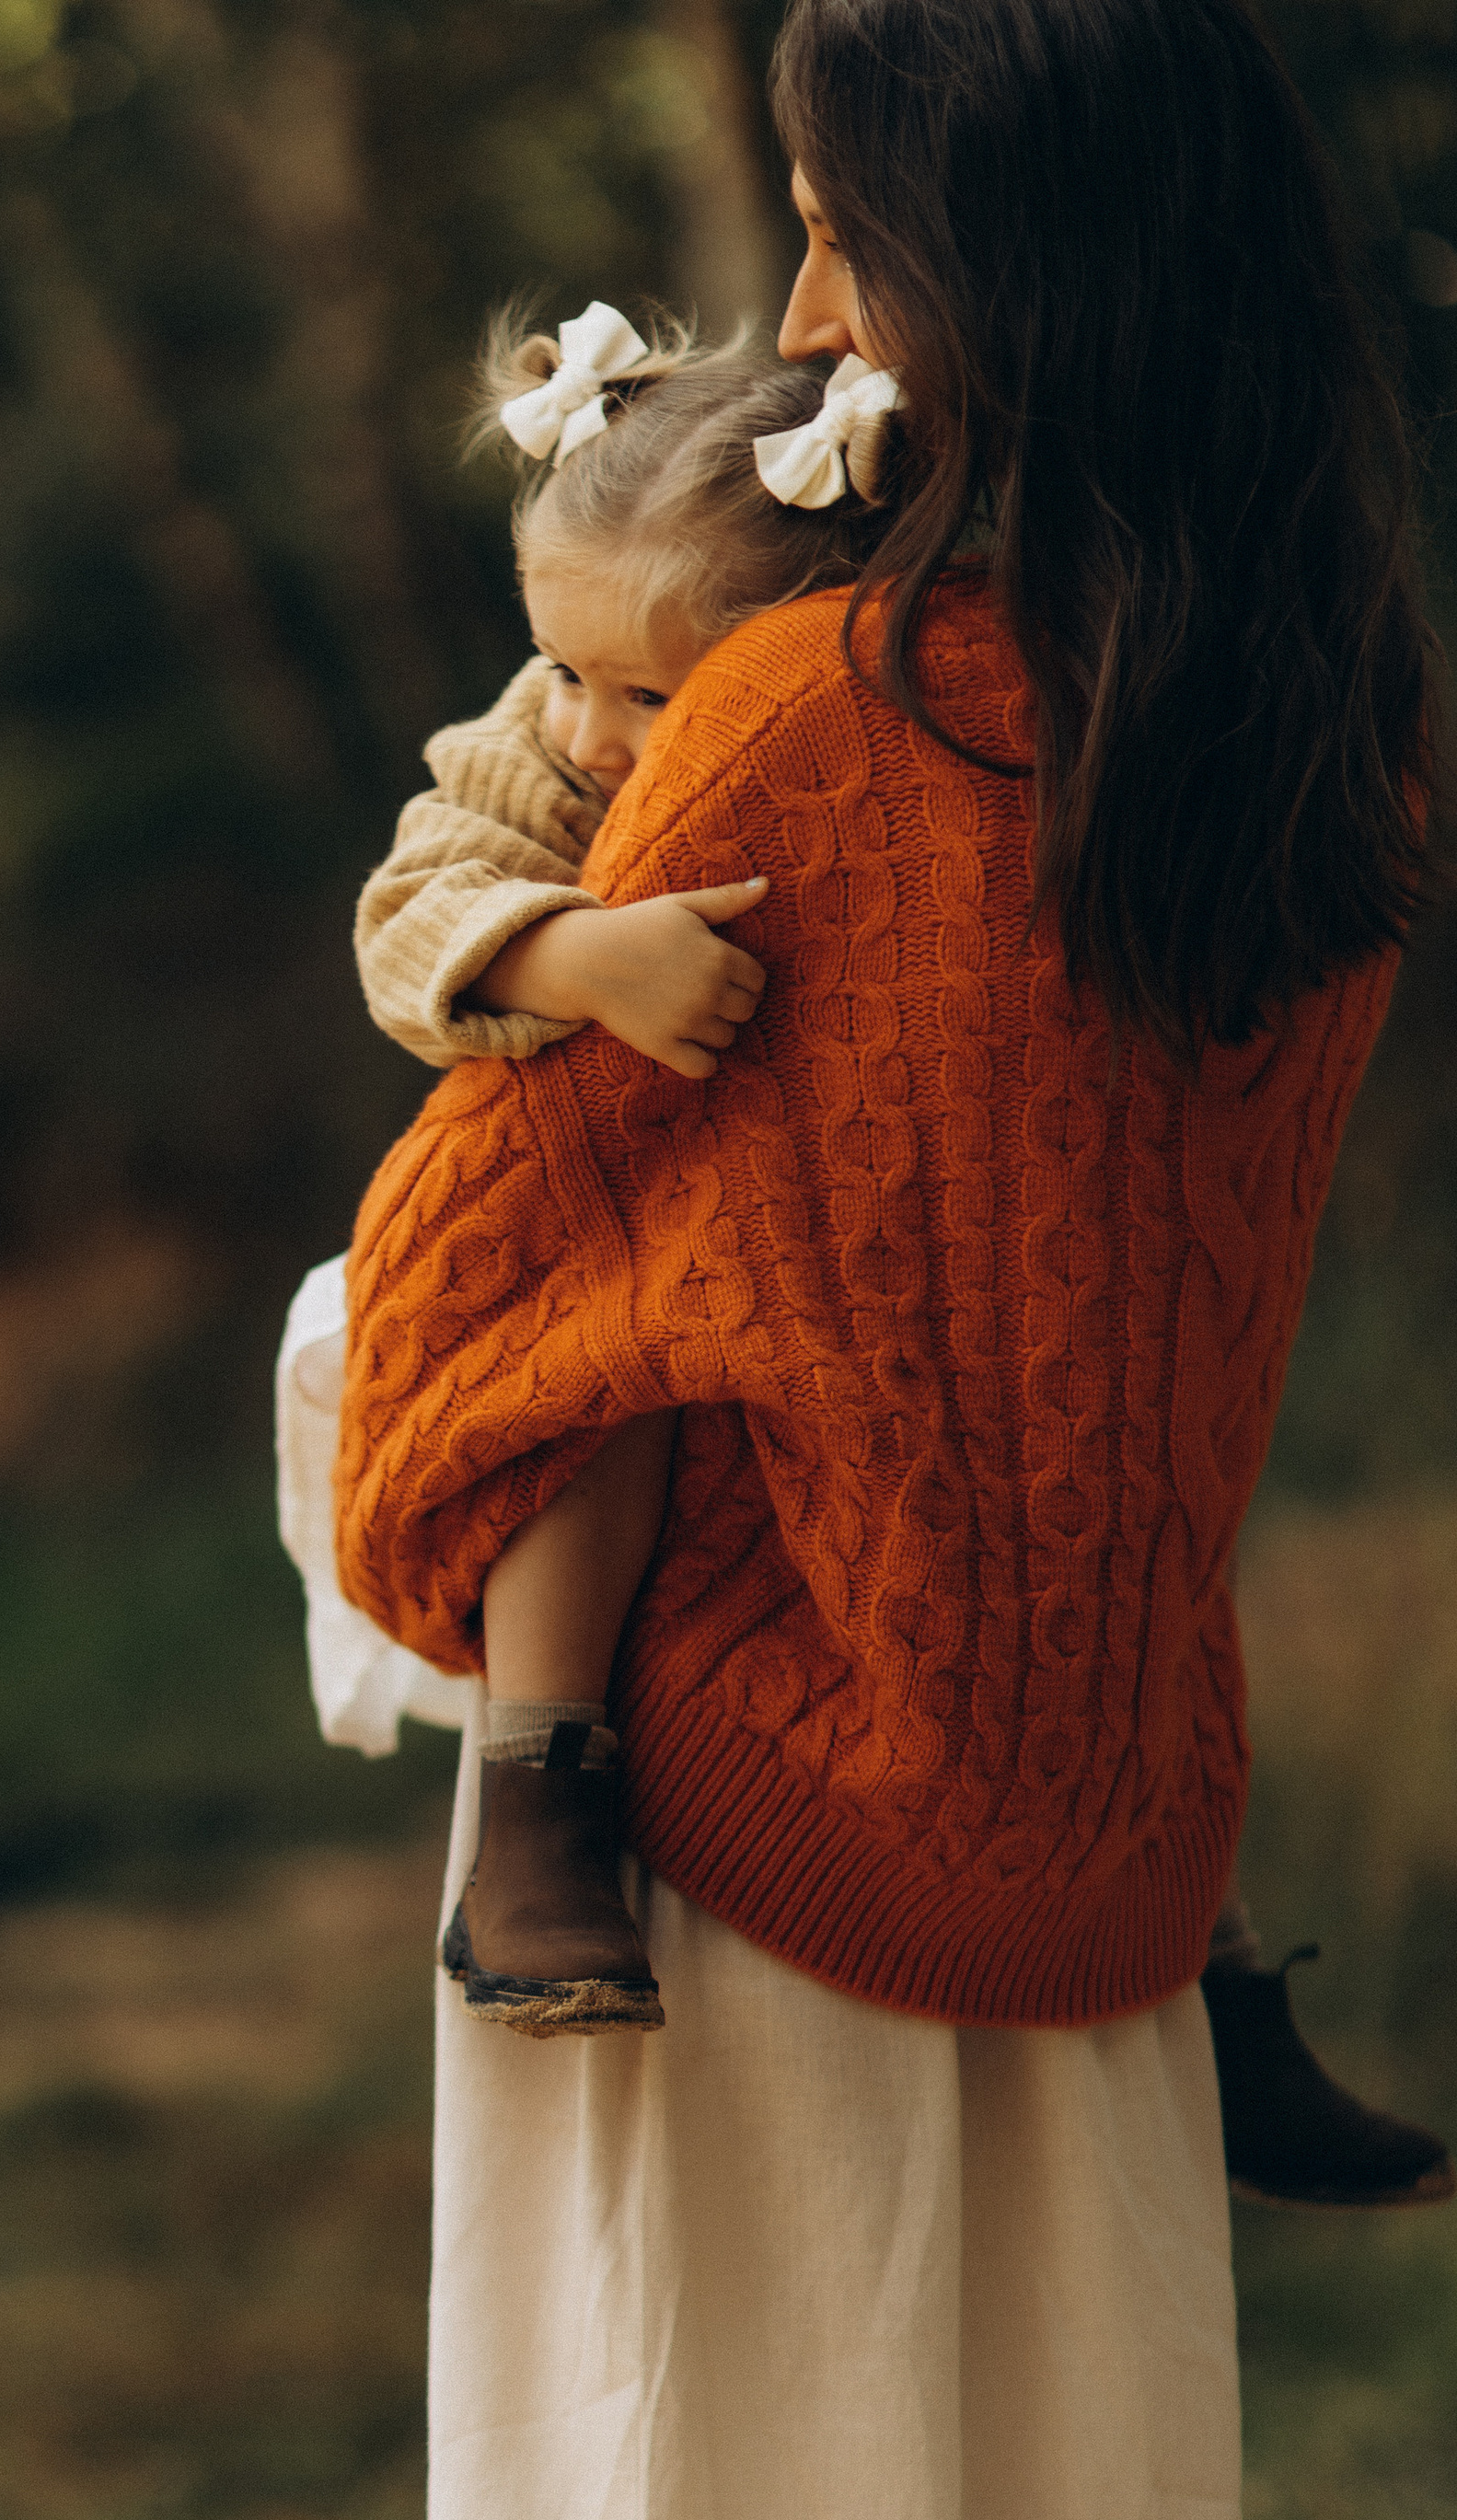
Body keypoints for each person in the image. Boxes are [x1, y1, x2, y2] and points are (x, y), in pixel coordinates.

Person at [329, 2, 1457, 2520]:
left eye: (837, 240)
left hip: (750, 1831)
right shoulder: (1314, 719)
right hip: (1103, 1807)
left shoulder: (825, 735)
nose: (800, 320)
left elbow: (479, 1304)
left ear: (982, 274)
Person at [350, 294, 1453, 2207]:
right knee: (602, 1387)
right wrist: (562, 952)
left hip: (868, 1256)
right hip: (630, 1236)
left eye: (655, 697)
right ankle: (542, 1786)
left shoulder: (892, 730)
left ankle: (1209, 1976)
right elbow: (409, 907)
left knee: (1115, 1495)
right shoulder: (538, 747)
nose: (607, 738)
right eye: (572, 680)